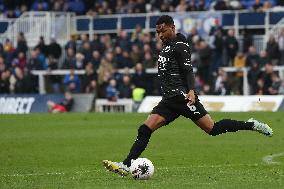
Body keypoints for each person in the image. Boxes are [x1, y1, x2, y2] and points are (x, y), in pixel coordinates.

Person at [102, 15, 273, 176]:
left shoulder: (180, 45)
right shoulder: (167, 46)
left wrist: (191, 90)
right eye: (158, 32)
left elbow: (188, 70)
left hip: (182, 97)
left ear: (173, 28)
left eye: (163, 31)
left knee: (212, 129)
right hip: (169, 100)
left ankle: (251, 125)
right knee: (145, 128)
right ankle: (126, 164)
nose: (160, 35)